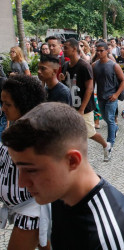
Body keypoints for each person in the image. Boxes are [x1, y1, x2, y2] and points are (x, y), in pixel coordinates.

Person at [2, 102, 124, 249]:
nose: (22, 183)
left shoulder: (111, 238)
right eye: (19, 169)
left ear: (71, 161)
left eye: (31, 170)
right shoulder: (59, 194)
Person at [0, 75, 50, 250]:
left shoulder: (34, 133)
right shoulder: (18, 128)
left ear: (23, 103)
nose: (3, 108)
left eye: (8, 104)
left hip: (33, 211)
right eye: (2, 103)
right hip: (26, 208)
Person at [61, 38, 111, 162]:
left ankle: (106, 145)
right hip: (70, 106)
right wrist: (62, 79)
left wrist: (82, 109)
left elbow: (89, 88)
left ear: (74, 48)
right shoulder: (66, 65)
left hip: (84, 106)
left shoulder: (84, 66)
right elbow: (65, 84)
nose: (64, 50)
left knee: (90, 133)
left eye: (66, 47)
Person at [92, 42, 124, 148]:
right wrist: (92, 95)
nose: (99, 52)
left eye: (101, 50)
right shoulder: (94, 65)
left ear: (107, 51)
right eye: (97, 50)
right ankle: (115, 129)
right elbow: (92, 82)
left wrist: (116, 94)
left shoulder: (114, 65)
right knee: (105, 117)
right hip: (101, 97)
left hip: (111, 97)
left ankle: (109, 144)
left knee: (110, 119)